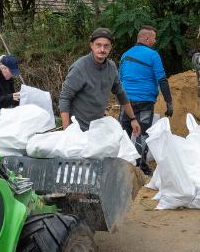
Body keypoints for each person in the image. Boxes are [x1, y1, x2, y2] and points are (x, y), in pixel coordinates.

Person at [59, 28, 141, 136]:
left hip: (97, 128)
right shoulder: (80, 67)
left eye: (106, 45)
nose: (102, 49)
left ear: (111, 47)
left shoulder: (111, 67)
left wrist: (133, 119)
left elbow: (121, 93)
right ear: (91, 45)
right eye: (98, 45)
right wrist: (67, 131)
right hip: (77, 130)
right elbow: (65, 98)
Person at [118, 25, 173, 173]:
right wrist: (169, 102)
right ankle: (140, 167)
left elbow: (120, 79)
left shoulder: (125, 55)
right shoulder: (153, 55)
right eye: (154, 38)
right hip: (145, 103)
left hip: (126, 102)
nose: (155, 41)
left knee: (123, 133)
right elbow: (162, 79)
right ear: (147, 38)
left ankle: (121, 166)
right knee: (142, 134)